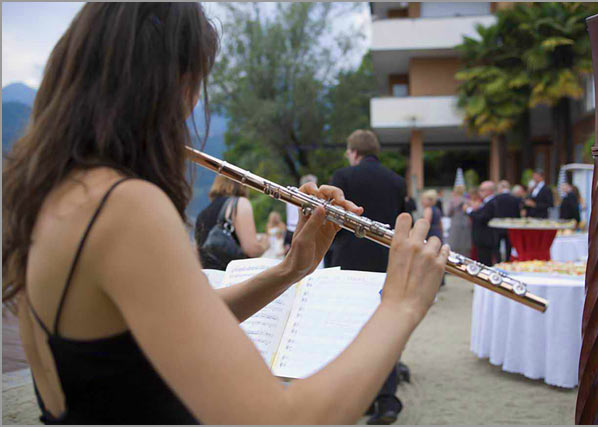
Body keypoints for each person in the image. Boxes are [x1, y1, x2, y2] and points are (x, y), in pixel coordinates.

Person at [1, 4, 450, 425]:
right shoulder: (123, 206)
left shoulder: (51, 194)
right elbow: (283, 418)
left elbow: (165, 326)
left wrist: (291, 269)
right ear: (167, 86)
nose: (190, 108)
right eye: (194, 85)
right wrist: (401, 305)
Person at [329, 129, 408, 425]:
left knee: (350, 332)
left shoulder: (343, 177)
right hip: (387, 262)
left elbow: (332, 220)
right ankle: (386, 400)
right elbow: (403, 222)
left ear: (353, 152)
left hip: (349, 261)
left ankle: (359, 397)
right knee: (383, 329)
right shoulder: (397, 181)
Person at [195, 175, 268, 269]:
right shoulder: (239, 203)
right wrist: (265, 245)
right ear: (242, 184)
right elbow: (251, 249)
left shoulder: (202, 214)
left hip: (209, 276)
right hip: (231, 275)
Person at [465, 181, 499, 266]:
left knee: (485, 262)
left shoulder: (491, 202)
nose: (480, 192)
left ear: (489, 191)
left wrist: (469, 211)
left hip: (485, 237)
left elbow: (482, 218)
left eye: (482, 190)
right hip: (482, 238)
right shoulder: (486, 202)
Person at [493, 180, 521, 262]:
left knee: (496, 246)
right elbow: (517, 214)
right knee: (508, 246)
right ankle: (507, 261)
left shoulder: (496, 198)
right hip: (510, 226)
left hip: (498, 225)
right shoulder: (515, 199)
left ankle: (498, 262)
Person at [446, 184, 472, 258]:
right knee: (465, 247)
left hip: (455, 224)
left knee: (454, 247)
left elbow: (448, 213)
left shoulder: (452, 201)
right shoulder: (467, 201)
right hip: (465, 225)